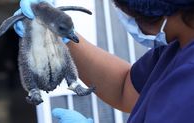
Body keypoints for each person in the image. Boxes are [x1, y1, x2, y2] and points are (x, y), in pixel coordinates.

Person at [14, 0, 194, 122]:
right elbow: (125, 88)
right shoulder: (177, 46)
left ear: (162, 14)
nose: (127, 19)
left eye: (130, 14)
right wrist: (62, 33)